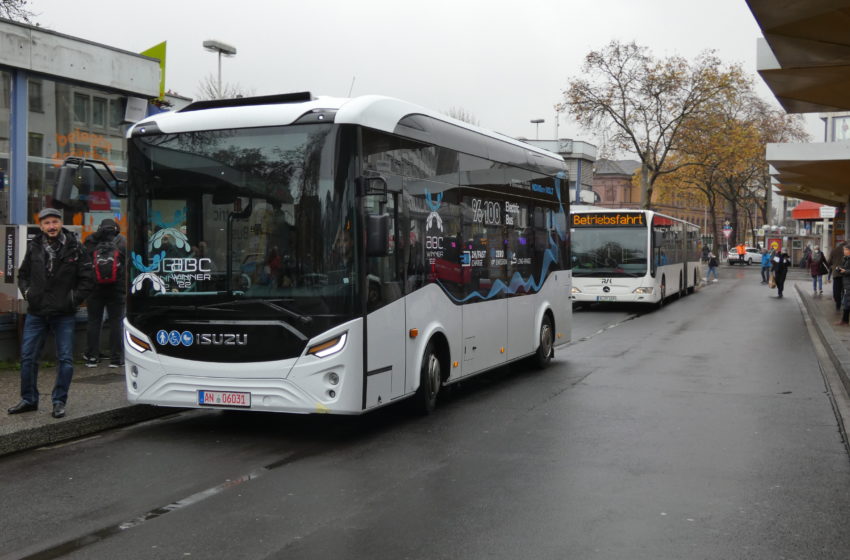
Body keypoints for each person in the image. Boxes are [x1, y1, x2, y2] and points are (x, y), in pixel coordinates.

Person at [8, 208, 94, 418]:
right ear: (41, 226)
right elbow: (23, 274)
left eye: (54, 222)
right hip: (37, 312)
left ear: (60, 223)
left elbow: (87, 279)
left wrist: (73, 300)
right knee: (28, 357)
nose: (51, 227)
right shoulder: (34, 246)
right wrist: (28, 293)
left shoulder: (75, 247)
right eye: (47, 223)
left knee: (64, 359)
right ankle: (29, 399)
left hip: (63, 313)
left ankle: (59, 401)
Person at [83, 218, 127, 368]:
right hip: (117, 288)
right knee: (117, 322)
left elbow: (84, 259)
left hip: (94, 288)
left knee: (94, 321)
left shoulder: (91, 241)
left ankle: (92, 357)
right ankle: (116, 358)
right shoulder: (122, 241)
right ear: (116, 229)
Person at [834, 245, 850, 325]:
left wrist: (845, 271)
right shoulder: (846, 258)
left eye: (845, 250)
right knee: (846, 301)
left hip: (848, 284)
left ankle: (845, 321)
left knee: (846, 302)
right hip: (846, 283)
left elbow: (847, 270)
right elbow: (844, 267)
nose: (844, 251)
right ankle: (845, 320)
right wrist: (839, 269)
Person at [829, 242, 846, 311]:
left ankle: (838, 305)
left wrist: (832, 266)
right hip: (845, 273)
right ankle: (843, 302)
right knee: (844, 289)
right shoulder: (846, 251)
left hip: (836, 273)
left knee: (836, 290)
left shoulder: (834, 250)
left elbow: (829, 261)